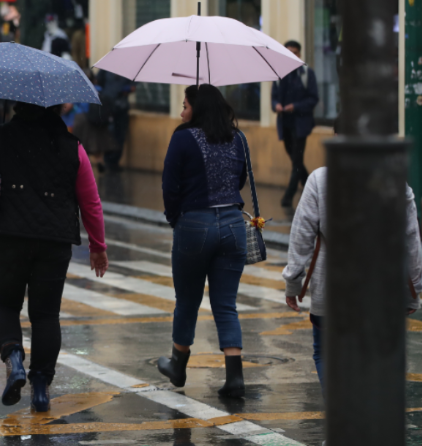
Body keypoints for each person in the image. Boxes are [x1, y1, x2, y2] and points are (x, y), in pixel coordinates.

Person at [0, 102, 109, 412]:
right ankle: (40, 387)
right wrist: (98, 247)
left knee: (2, 304)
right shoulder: (72, 146)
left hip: (11, 237)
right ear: (59, 107)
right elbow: (91, 202)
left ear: (16, 103)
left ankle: (13, 356)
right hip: (55, 241)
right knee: (45, 315)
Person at [282, 119, 422, 397]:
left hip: (330, 289)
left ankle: (342, 425)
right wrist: (413, 290)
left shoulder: (319, 180)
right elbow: (409, 240)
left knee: (325, 353)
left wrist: (293, 284)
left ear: (336, 138)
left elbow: (301, 237)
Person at [158, 84, 248, 398]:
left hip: (195, 223)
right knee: (226, 305)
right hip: (235, 224)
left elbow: (169, 185)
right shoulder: (238, 138)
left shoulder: (182, 137)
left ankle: (178, 365)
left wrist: (176, 219)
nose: (182, 112)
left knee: (187, 300)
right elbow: (241, 180)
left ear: (196, 109)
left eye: (185, 105)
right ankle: (235, 377)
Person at [271, 40, 319, 208]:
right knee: (296, 161)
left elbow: (313, 98)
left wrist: (295, 107)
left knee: (297, 161)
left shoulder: (306, 73)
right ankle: (311, 188)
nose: (292, 55)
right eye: (289, 51)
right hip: (285, 124)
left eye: (295, 52)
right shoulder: (279, 74)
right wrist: (276, 105)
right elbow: (273, 98)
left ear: (300, 54)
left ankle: (287, 198)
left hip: (301, 125)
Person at [95, 69, 133, 172]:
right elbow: (98, 80)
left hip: (121, 107)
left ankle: (114, 162)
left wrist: (127, 89)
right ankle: (108, 160)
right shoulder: (107, 68)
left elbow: (133, 85)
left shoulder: (130, 68)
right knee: (109, 133)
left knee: (120, 135)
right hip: (108, 106)